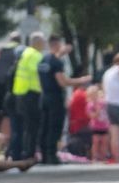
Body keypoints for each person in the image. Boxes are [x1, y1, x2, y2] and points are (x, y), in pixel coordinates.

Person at [39, 36, 92, 164]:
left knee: (45, 127)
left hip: (44, 96)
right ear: (57, 45)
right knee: (55, 127)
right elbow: (62, 82)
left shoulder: (43, 60)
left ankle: (45, 155)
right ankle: (52, 155)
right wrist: (82, 80)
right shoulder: (57, 63)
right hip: (55, 98)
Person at [8, 32, 46, 161]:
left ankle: (20, 153)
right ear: (37, 43)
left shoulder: (25, 53)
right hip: (31, 93)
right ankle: (29, 153)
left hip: (20, 93)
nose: (44, 44)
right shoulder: (35, 55)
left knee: (24, 126)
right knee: (32, 127)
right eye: (43, 42)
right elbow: (38, 71)